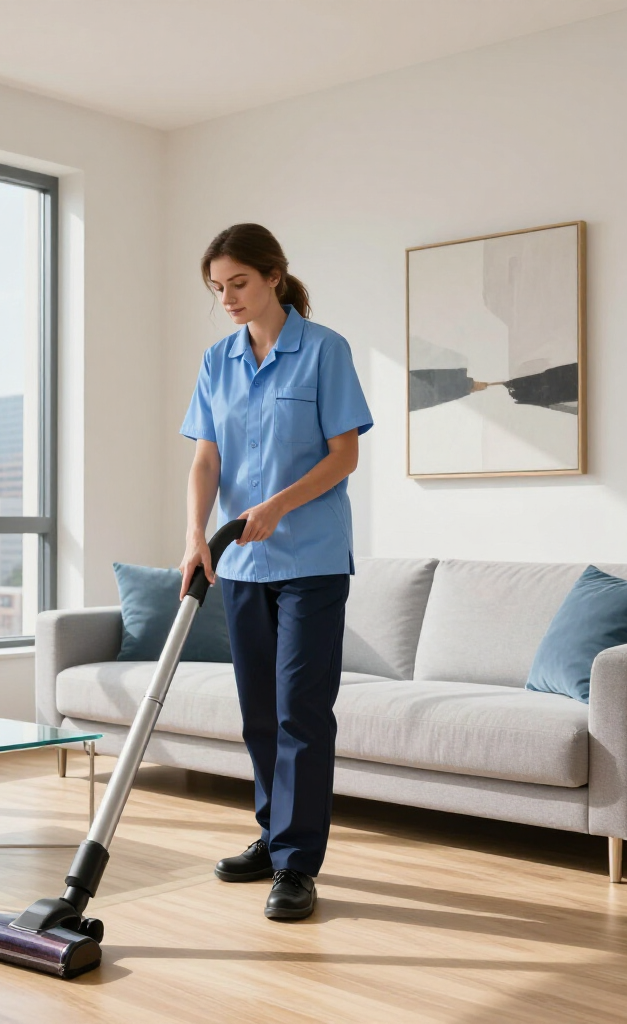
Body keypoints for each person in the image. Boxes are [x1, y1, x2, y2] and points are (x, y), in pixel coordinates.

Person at [178, 223, 373, 920]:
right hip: (240, 562)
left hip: (312, 561)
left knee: (300, 710)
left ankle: (296, 864)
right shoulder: (217, 361)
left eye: (238, 283)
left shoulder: (323, 351)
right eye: (217, 288)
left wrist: (277, 506)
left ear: (274, 278)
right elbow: (206, 459)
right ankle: (271, 834)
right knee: (258, 710)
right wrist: (196, 535)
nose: (227, 298)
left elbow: (344, 455)